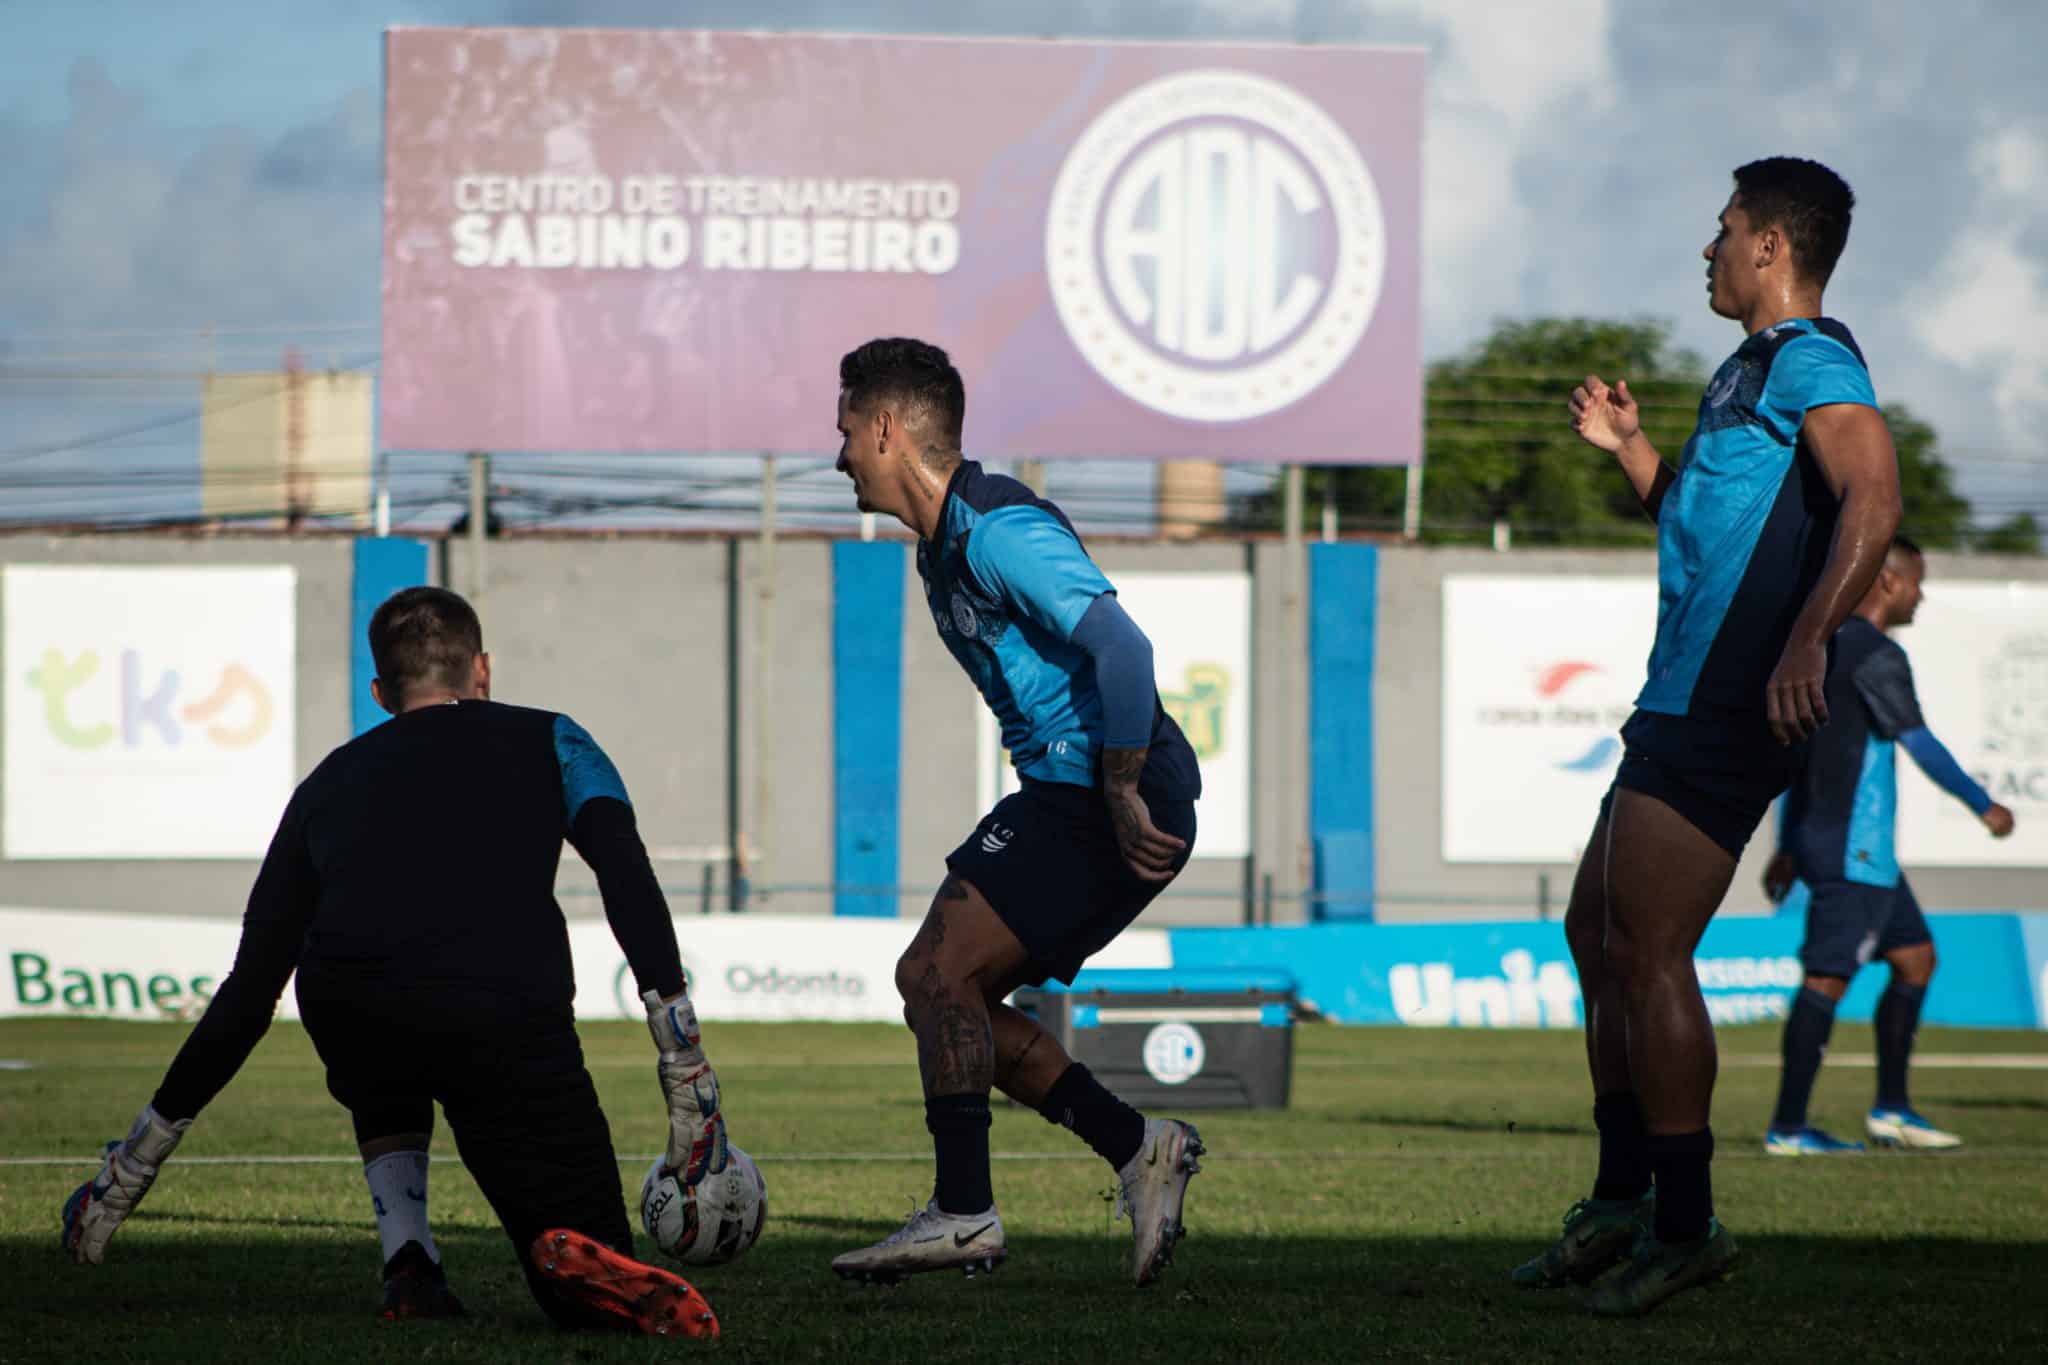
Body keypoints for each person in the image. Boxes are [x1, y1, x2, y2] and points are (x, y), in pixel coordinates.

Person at [61, 586, 729, 1339]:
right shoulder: (554, 738)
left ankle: (410, 1262)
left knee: (378, 1031)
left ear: (380, 693)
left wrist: (135, 1162)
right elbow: (624, 868)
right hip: (499, 1012)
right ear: (483, 669)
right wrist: (681, 1054)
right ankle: (565, 1250)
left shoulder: (325, 783)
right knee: (587, 1264)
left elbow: (250, 988)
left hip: (354, 1010)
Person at [1515, 157, 1903, 1316]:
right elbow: (1704, 524)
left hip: (1734, 699)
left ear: (1770, 245)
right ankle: (1620, 1200)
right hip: (1679, 693)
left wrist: (1805, 643)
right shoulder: (1744, 371)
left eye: (1724, 227)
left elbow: (1874, 498)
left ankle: (1681, 1226)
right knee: (1596, 936)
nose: (1708, 246)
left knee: (1647, 948)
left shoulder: (1810, 357)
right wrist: (1630, 452)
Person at [825, 337, 1205, 1288]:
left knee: (935, 973)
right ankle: (1138, 1147)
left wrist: (1120, 789)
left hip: (1108, 792)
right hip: (1069, 792)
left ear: (886, 428)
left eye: (846, 432)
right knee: (945, 993)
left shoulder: (996, 527)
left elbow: (1124, 650)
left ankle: (965, 1212)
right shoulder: (939, 550)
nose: (838, 458)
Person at [1761, 536, 2016, 1154]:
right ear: (1887, 582)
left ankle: (1892, 1111)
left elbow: (1800, 758)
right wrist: (1983, 805)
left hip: (1842, 846)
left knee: (1916, 958)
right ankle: (1788, 1129)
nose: (1921, 596)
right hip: (1856, 850)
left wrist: (1789, 844)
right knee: (1827, 978)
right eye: (1917, 583)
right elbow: (1919, 741)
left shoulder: (1822, 651)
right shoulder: (1876, 654)